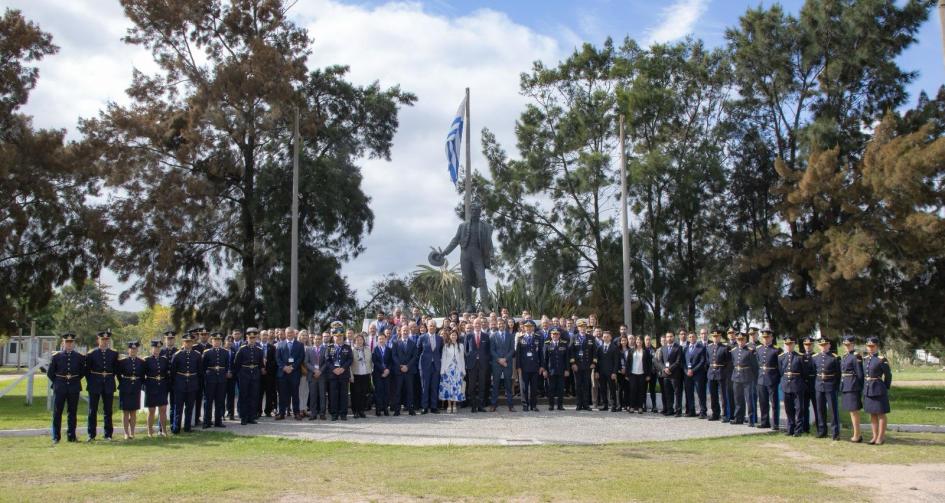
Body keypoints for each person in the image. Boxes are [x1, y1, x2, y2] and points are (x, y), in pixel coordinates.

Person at [47, 332, 86, 444]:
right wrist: (58, 382)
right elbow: (50, 373)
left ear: (74, 343)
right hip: (60, 387)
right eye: (67, 342)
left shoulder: (79, 357)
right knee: (57, 412)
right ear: (63, 343)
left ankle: (71, 436)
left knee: (72, 412)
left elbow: (82, 372)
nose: (69, 344)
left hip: (74, 386)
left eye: (71, 342)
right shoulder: (56, 357)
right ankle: (56, 437)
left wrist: (73, 380)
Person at [85, 329, 119, 441]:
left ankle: (108, 434)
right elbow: (87, 370)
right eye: (102, 339)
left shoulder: (114, 353)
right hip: (95, 383)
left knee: (108, 410)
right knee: (92, 410)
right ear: (98, 340)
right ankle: (91, 434)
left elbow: (115, 369)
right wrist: (92, 380)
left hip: (108, 383)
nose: (104, 341)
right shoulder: (92, 353)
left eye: (106, 339)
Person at [169, 331, 201, 434]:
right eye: (186, 342)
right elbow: (173, 372)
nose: (188, 344)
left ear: (193, 342)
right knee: (178, 407)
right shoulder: (177, 355)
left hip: (192, 384)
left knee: (189, 407)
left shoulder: (197, 355)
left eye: (190, 342)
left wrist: (197, 384)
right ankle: (176, 428)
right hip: (179, 384)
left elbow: (199, 371)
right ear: (183, 342)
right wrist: (174, 385)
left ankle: (187, 427)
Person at [863, 336, 892, 445]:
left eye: (872, 346)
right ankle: (874, 436)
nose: (870, 348)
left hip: (878, 388)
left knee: (881, 414)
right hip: (868, 389)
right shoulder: (865, 359)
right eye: (868, 346)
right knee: (872, 414)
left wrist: (885, 387)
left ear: (876, 346)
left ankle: (880, 437)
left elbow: (888, 375)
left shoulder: (881, 359)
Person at [233, 328, 263, 425]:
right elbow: (236, 363)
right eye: (250, 338)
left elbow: (261, 363)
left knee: (253, 396)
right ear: (247, 338)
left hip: (255, 374)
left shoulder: (259, 350)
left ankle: (251, 417)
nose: (252, 340)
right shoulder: (242, 349)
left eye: (254, 338)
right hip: (244, 374)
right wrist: (240, 374)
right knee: (244, 396)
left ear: (256, 338)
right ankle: (244, 417)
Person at [813, 338, 841, 440]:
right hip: (819, 385)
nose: (823, 347)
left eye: (825, 345)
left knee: (833, 409)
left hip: (831, 385)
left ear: (829, 345)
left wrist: (836, 387)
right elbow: (813, 371)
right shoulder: (815, 357)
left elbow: (838, 374)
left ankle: (835, 432)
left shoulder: (834, 358)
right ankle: (822, 431)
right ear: (819, 346)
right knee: (820, 409)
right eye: (821, 345)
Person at [117, 340, 145, 440]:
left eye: (135, 349)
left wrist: (139, 384)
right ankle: (125, 433)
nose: (133, 350)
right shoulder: (122, 362)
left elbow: (142, 376)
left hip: (135, 387)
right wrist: (124, 382)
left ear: (137, 349)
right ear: (128, 350)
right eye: (131, 349)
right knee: (125, 412)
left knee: (133, 411)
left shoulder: (141, 362)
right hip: (125, 387)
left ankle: (132, 432)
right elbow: (118, 374)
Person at [779, 335, 806, 437]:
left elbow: (804, 373)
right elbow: (781, 371)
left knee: (799, 408)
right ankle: (790, 428)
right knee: (788, 408)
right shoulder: (781, 357)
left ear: (794, 344)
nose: (789, 346)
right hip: (786, 385)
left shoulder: (800, 357)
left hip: (797, 385)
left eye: (791, 344)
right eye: (787, 344)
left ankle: (798, 430)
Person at [201, 332, 230, 428]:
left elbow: (226, 366)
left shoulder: (225, 352)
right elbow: (203, 367)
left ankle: (218, 421)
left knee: (220, 401)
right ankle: (207, 421)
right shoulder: (207, 352)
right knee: (208, 401)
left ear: (221, 341)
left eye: (218, 340)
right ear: (211, 341)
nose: (217, 342)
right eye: (215, 340)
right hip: (210, 379)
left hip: (221, 379)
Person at [839, 334, 865, 442]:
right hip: (846, 385)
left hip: (853, 386)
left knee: (854, 411)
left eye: (848, 345)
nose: (846, 346)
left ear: (853, 344)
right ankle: (856, 433)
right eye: (845, 345)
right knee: (851, 411)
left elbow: (860, 374)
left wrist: (860, 388)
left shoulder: (856, 356)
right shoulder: (845, 356)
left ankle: (857, 435)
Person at [275, 327, 305, 420]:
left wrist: (292, 367)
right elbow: (277, 358)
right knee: (282, 395)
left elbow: (301, 358)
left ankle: (296, 413)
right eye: (288, 333)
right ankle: (281, 413)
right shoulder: (280, 344)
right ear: (285, 334)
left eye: (291, 333)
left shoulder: (300, 345)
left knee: (295, 394)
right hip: (283, 374)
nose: (289, 334)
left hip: (294, 373)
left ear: (294, 334)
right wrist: (284, 367)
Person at [756, 327, 782, 430]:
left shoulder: (776, 350)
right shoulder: (758, 349)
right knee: (763, 402)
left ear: (771, 337)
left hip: (772, 378)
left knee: (774, 403)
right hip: (761, 378)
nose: (765, 339)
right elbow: (758, 363)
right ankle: (764, 422)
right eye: (764, 337)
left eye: (768, 337)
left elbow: (780, 366)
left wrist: (777, 378)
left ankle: (775, 423)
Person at [326, 323, 353, 421]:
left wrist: (343, 368)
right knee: (333, 395)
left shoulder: (347, 347)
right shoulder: (329, 347)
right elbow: (327, 360)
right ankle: (334, 414)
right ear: (333, 337)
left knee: (343, 394)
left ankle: (343, 413)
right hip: (333, 375)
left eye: (340, 336)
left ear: (343, 336)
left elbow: (350, 359)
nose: (339, 338)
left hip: (343, 374)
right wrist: (334, 369)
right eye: (336, 336)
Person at [143, 340, 169, 437]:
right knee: (151, 411)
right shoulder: (146, 360)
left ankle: (164, 431)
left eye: (158, 348)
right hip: (151, 386)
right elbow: (142, 375)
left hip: (162, 386)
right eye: (155, 348)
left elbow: (166, 373)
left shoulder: (164, 360)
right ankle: (150, 431)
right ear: (151, 349)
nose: (156, 349)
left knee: (163, 409)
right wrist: (146, 385)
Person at [730, 332, 757, 426]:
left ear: (745, 340)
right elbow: (734, 363)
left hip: (747, 377)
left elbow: (755, 366)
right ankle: (738, 418)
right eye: (738, 339)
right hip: (736, 377)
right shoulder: (733, 351)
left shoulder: (750, 351)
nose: (740, 341)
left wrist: (754, 379)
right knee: (738, 399)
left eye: (742, 340)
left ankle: (751, 419)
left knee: (749, 399)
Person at [569, 320, 597, 411]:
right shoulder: (574, 337)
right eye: (581, 327)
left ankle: (586, 404)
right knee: (578, 385)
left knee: (586, 385)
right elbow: (571, 351)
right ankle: (578, 404)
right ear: (578, 328)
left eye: (584, 327)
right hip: (577, 366)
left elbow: (594, 351)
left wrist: (594, 363)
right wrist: (573, 363)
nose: (583, 328)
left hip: (587, 365)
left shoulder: (591, 338)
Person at [517, 319, 543, 412]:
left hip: (535, 367)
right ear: (524, 328)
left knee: (534, 387)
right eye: (527, 327)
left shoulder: (538, 338)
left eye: (530, 327)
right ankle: (525, 405)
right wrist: (518, 367)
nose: (528, 329)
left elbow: (541, 353)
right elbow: (518, 355)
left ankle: (534, 405)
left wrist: (542, 366)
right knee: (524, 387)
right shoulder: (520, 338)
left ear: (533, 328)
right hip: (524, 367)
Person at [464, 318, 490, 413]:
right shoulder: (469, 336)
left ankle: (480, 405)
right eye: (476, 324)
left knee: (482, 385)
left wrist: (485, 359)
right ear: (473, 324)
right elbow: (465, 350)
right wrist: (469, 358)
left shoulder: (486, 336)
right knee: (471, 386)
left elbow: (488, 350)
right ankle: (473, 405)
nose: (478, 325)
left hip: (483, 364)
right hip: (472, 364)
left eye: (479, 323)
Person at [490, 318, 516, 411]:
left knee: (508, 385)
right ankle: (493, 405)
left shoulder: (510, 336)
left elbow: (512, 350)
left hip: (507, 363)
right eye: (499, 324)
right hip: (496, 363)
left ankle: (511, 405)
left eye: (502, 324)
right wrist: (499, 360)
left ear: (505, 325)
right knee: (495, 384)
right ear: (497, 325)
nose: (501, 325)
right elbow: (492, 350)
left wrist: (505, 359)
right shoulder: (493, 336)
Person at [392, 325, 418, 416]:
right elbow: (394, 356)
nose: (405, 332)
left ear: (409, 331)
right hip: (399, 371)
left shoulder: (413, 343)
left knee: (410, 391)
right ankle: (397, 410)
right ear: (400, 331)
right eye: (403, 330)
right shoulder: (395, 343)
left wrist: (407, 366)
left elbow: (415, 357)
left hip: (409, 371)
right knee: (398, 391)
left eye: (407, 330)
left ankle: (411, 409)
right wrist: (400, 366)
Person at [439, 329, 466, 413]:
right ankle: (449, 405)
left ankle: (454, 405)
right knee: (448, 388)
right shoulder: (446, 346)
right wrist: (442, 370)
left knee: (456, 388)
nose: (453, 336)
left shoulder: (461, 346)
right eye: (452, 335)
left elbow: (462, 359)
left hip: (457, 370)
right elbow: (443, 358)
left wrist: (463, 370)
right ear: (449, 336)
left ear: (457, 336)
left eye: (455, 335)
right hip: (448, 370)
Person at [706, 329, 730, 422]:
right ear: (712, 337)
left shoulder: (725, 348)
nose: (715, 338)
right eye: (714, 337)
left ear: (720, 337)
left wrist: (724, 371)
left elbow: (728, 362)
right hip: (711, 373)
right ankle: (715, 413)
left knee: (723, 395)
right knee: (713, 395)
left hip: (721, 373)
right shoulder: (709, 347)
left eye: (717, 336)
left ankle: (725, 414)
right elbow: (708, 360)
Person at [543, 328, 569, 411]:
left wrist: (567, 369)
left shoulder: (564, 344)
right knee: (551, 389)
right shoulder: (547, 344)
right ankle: (551, 405)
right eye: (553, 334)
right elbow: (544, 359)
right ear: (551, 335)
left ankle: (560, 405)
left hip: (561, 370)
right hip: (551, 371)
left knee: (561, 389)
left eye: (557, 334)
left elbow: (566, 359)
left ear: (559, 335)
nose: (555, 336)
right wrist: (544, 370)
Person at [305, 332, 329, 420]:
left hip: (322, 376)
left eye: (319, 339)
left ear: (321, 339)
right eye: (316, 339)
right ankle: (313, 413)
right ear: (313, 340)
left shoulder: (326, 348)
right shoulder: (308, 349)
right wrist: (314, 370)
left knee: (322, 395)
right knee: (313, 395)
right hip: (312, 375)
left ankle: (322, 413)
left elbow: (327, 362)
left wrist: (320, 371)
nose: (317, 340)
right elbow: (306, 362)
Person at [658, 332, 683, 417]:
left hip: (675, 375)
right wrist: (664, 369)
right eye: (667, 336)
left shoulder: (678, 348)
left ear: (674, 337)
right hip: (666, 375)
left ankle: (678, 411)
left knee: (677, 393)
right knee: (668, 393)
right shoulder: (663, 348)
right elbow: (660, 361)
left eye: (671, 336)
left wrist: (669, 369)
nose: (669, 338)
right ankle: (670, 410)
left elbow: (678, 361)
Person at [684, 331, 707, 418]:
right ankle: (691, 411)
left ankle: (703, 412)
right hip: (688, 375)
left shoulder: (701, 348)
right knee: (689, 393)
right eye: (690, 337)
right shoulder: (685, 348)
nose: (691, 338)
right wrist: (687, 371)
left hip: (698, 374)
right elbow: (683, 362)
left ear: (696, 337)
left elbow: (702, 361)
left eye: (693, 337)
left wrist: (693, 370)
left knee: (700, 393)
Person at [595, 330, 619, 412]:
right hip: (601, 373)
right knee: (603, 389)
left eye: (607, 337)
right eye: (604, 337)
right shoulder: (599, 348)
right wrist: (596, 371)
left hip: (611, 372)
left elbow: (616, 361)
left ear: (611, 338)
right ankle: (605, 405)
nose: (605, 338)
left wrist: (614, 372)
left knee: (612, 389)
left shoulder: (615, 348)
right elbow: (597, 361)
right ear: (602, 338)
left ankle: (613, 405)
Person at [350, 333, 373, 419]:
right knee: (355, 394)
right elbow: (349, 365)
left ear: (363, 340)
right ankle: (355, 411)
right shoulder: (351, 350)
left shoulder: (367, 349)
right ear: (354, 341)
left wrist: (370, 372)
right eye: (357, 340)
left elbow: (370, 361)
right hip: (355, 374)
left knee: (363, 393)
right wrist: (350, 375)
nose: (359, 341)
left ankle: (361, 410)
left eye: (361, 340)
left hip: (365, 374)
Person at [627, 335, 651, 414]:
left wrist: (648, 375)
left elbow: (649, 364)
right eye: (637, 340)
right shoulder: (631, 350)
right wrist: (627, 374)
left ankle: (640, 407)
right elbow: (628, 363)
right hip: (633, 373)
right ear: (635, 341)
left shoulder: (646, 351)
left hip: (642, 374)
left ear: (642, 342)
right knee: (632, 390)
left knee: (641, 391)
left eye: (640, 340)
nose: (638, 342)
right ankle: (632, 407)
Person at [800, 336, 819, 434]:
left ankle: (820, 428)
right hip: (804, 385)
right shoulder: (801, 356)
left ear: (813, 345)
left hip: (814, 384)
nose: (808, 346)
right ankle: (805, 428)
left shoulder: (817, 356)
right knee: (804, 407)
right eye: (806, 345)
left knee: (817, 407)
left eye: (809, 344)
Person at [160, 330, 179, 424]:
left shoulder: (178, 352)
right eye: (168, 339)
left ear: (174, 340)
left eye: (171, 339)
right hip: (163, 381)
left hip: (174, 381)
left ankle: (173, 425)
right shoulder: (161, 351)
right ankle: (161, 426)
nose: (170, 341)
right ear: (165, 340)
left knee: (174, 404)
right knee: (162, 405)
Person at [372, 332, 391, 416]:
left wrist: (387, 370)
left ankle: (385, 408)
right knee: (378, 391)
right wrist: (383, 369)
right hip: (378, 373)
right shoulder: (375, 350)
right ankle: (378, 409)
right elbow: (375, 362)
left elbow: (391, 361)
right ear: (377, 340)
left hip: (387, 374)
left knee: (386, 391)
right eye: (379, 339)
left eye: (383, 338)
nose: (381, 340)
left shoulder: (389, 350)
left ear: (385, 339)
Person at [260, 330, 278, 418]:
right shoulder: (256, 346)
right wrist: (261, 368)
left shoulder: (272, 347)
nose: (265, 336)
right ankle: (258, 411)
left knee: (269, 393)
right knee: (258, 393)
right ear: (260, 336)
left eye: (266, 335)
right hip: (259, 374)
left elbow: (275, 361)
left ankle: (268, 411)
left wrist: (266, 368)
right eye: (263, 335)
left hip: (269, 374)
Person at [616, 334, 631, 411]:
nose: (623, 342)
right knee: (620, 389)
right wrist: (620, 369)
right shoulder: (617, 350)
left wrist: (627, 371)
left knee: (627, 389)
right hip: (620, 372)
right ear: (620, 341)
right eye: (622, 340)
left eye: (625, 340)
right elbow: (616, 361)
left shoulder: (630, 350)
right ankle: (620, 405)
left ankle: (627, 405)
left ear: (627, 341)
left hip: (628, 373)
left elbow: (631, 362)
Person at [224, 336, 237, 420]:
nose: (229, 342)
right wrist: (225, 372)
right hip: (223, 376)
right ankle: (221, 413)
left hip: (232, 376)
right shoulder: (221, 351)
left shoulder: (234, 351)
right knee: (221, 395)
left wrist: (232, 372)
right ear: (225, 342)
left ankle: (231, 413)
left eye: (231, 341)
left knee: (231, 396)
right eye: (228, 341)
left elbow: (236, 364)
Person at [645, 335, 660, 413]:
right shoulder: (642, 349)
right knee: (643, 390)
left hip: (653, 373)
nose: (648, 341)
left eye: (649, 339)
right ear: (644, 341)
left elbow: (657, 361)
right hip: (644, 373)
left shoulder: (654, 349)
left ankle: (654, 406)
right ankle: (644, 406)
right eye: (646, 339)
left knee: (652, 390)